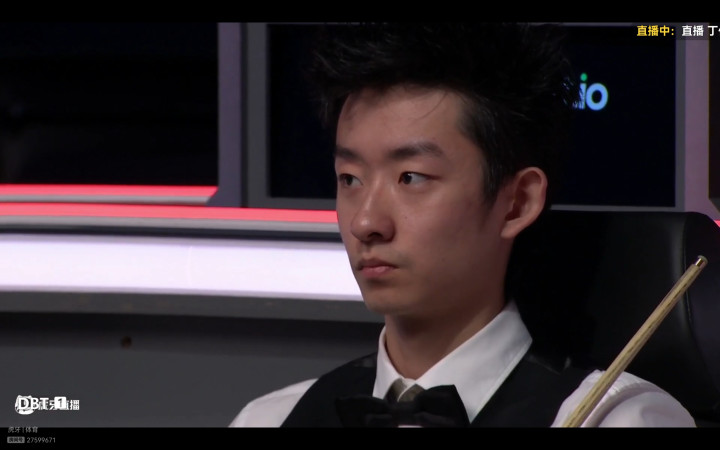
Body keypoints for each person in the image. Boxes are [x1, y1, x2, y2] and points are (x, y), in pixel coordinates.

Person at [229, 22, 695, 427]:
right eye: (349, 178)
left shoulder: (615, 417)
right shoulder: (270, 419)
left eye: (411, 177)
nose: (366, 221)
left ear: (517, 203)